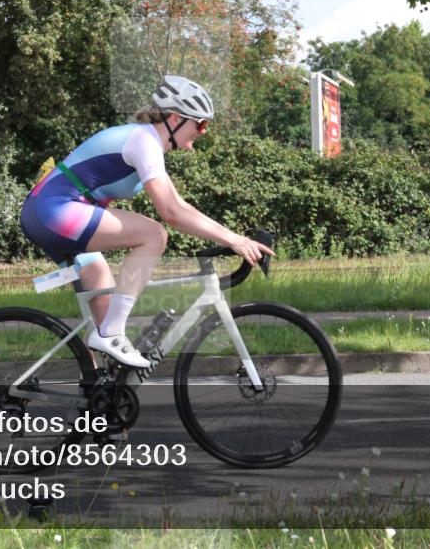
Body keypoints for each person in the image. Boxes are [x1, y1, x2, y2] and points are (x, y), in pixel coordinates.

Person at [19, 75, 274, 368]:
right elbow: (172, 213)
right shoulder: (143, 141)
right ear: (175, 118)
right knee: (153, 235)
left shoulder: (147, 143)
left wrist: (235, 238)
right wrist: (235, 240)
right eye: (201, 124)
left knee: (103, 300)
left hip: (48, 212)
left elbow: (179, 205)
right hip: (55, 210)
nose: (203, 132)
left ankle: (96, 385)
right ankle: (112, 334)